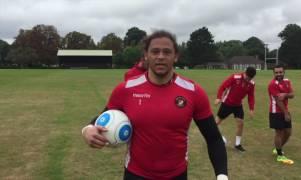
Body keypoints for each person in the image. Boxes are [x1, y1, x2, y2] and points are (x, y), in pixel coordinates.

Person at [82, 30, 228, 180]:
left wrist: (222, 176)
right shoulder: (126, 89)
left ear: (176, 56)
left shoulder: (193, 92)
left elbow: (214, 138)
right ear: (146, 55)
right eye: (155, 51)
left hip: (176, 175)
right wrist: (87, 129)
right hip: (135, 174)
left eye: (167, 52)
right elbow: (103, 116)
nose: (160, 57)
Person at [214, 67, 256, 152]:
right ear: (245, 73)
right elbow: (223, 86)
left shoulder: (251, 83)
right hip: (227, 103)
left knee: (240, 123)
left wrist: (251, 108)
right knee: (216, 123)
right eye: (247, 77)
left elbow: (251, 96)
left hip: (238, 106)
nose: (248, 80)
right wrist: (219, 98)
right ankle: (212, 138)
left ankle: (237, 144)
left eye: (250, 78)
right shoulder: (235, 77)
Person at [268, 64, 295, 165]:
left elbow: (292, 94)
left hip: (285, 111)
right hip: (276, 112)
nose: (278, 74)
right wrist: (286, 114)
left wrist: (286, 94)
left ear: (284, 72)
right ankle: (280, 156)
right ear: (273, 73)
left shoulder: (287, 81)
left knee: (288, 132)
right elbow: (278, 101)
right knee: (279, 133)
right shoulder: (272, 84)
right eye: (276, 72)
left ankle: (277, 148)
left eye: (280, 72)